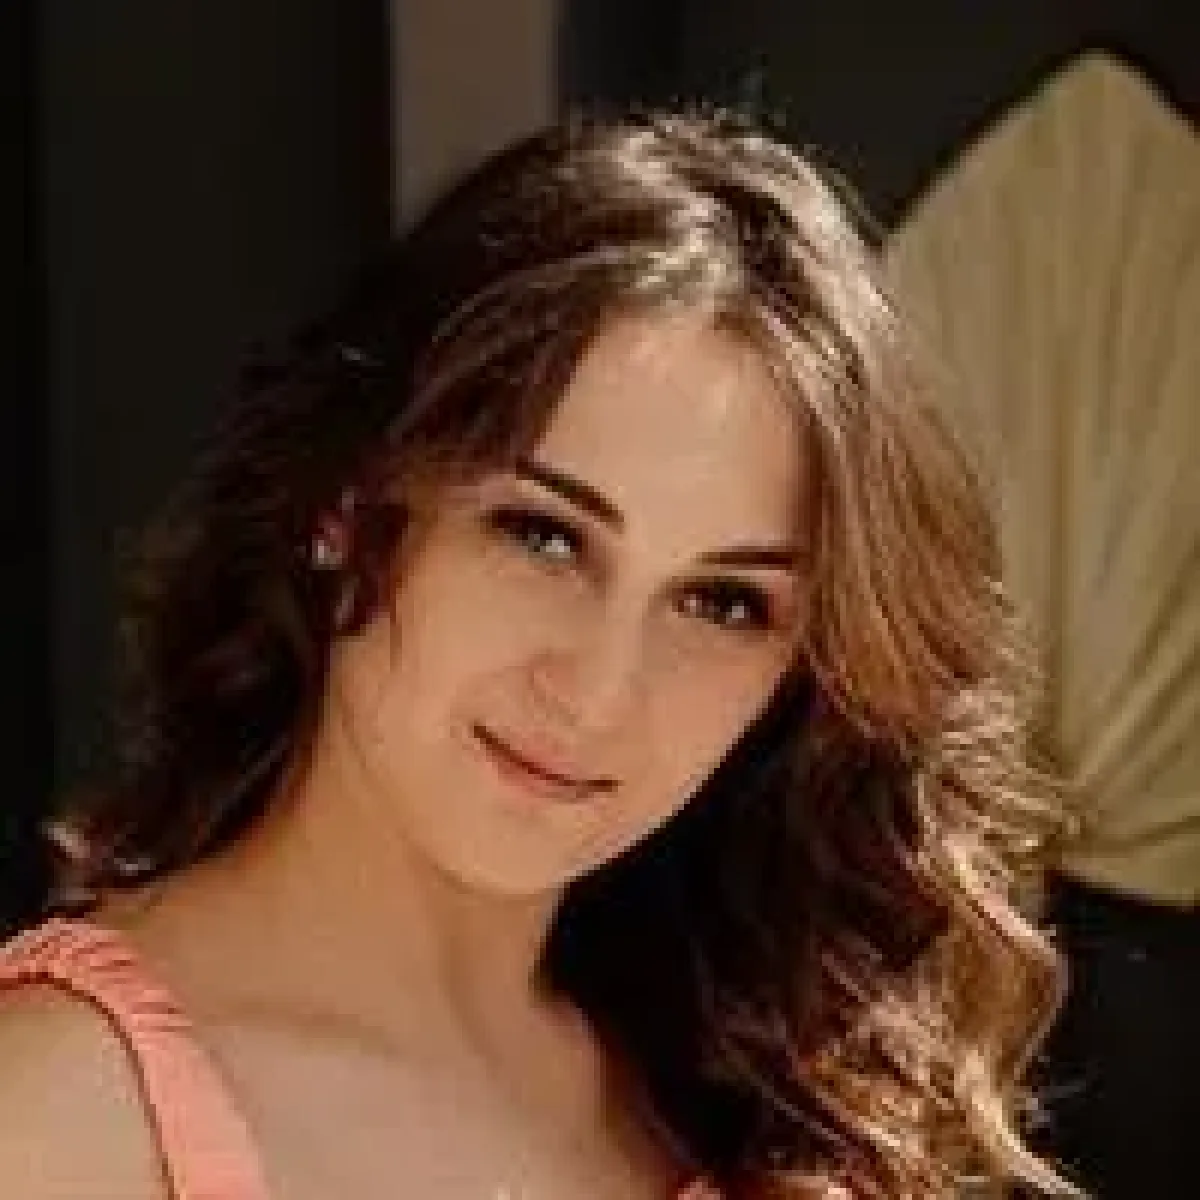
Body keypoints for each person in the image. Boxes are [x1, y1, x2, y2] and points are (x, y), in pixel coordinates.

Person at [0, 110, 1079, 1198]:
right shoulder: (55, 1112)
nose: (597, 692)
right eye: (543, 536)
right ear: (348, 503)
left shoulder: (749, 1092)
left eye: (721, 602)